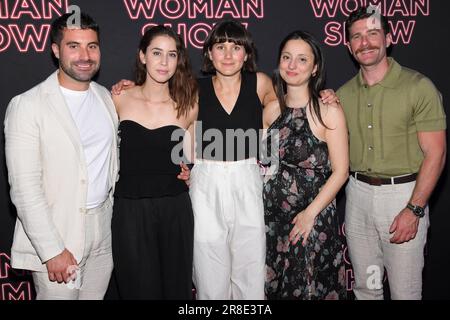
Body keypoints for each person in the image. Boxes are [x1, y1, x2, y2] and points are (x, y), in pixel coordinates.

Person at [111, 20, 338, 300]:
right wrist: (128, 86)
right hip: (206, 182)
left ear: (247, 54)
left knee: (251, 269)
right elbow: (168, 116)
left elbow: (294, 100)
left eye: (236, 47)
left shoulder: (261, 84)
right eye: (221, 47)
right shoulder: (192, 89)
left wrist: (323, 94)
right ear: (209, 53)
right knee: (208, 271)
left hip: (248, 180)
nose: (228, 55)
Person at [4, 12, 118, 300]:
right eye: (73, 46)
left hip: (103, 232)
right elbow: (24, 188)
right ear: (56, 50)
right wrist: (51, 249)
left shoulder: (107, 97)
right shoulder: (28, 106)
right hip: (59, 233)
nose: (85, 55)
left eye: (92, 46)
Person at [337, 6, 446, 300]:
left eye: (373, 34)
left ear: (388, 37)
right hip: (357, 198)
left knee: (404, 292)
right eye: (357, 37)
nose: (365, 43)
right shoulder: (343, 95)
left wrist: (414, 209)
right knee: (367, 288)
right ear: (349, 46)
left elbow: (436, 154)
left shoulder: (418, 87)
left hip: (403, 198)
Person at [111, 25, 198, 299]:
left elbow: (195, 159)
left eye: (171, 55)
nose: (164, 62)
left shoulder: (188, 104)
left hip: (175, 209)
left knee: (177, 289)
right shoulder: (118, 97)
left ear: (178, 60)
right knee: (136, 290)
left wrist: (191, 173)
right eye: (156, 53)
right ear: (142, 56)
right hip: (130, 211)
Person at [262, 30, 348, 300]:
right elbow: (266, 167)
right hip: (273, 222)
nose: (292, 65)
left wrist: (310, 214)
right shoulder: (271, 111)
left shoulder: (329, 111)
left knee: (310, 290)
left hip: (312, 221)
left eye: (302, 59)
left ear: (315, 68)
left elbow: (341, 171)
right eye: (286, 57)